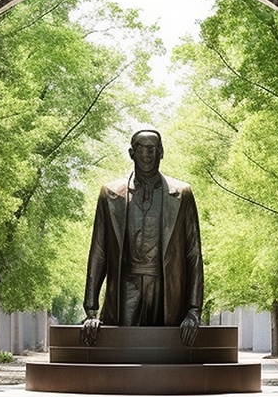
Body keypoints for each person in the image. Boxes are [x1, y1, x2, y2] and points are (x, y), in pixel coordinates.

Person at [82, 128, 203, 346]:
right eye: (141, 148)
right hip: (126, 287)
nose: (147, 154)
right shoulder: (110, 194)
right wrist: (91, 311)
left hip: (166, 288)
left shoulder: (182, 194)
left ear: (161, 152)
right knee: (124, 352)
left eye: (152, 149)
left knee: (164, 354)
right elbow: (98, 250)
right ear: (131, 153)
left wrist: (194, 310)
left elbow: (193, 253)